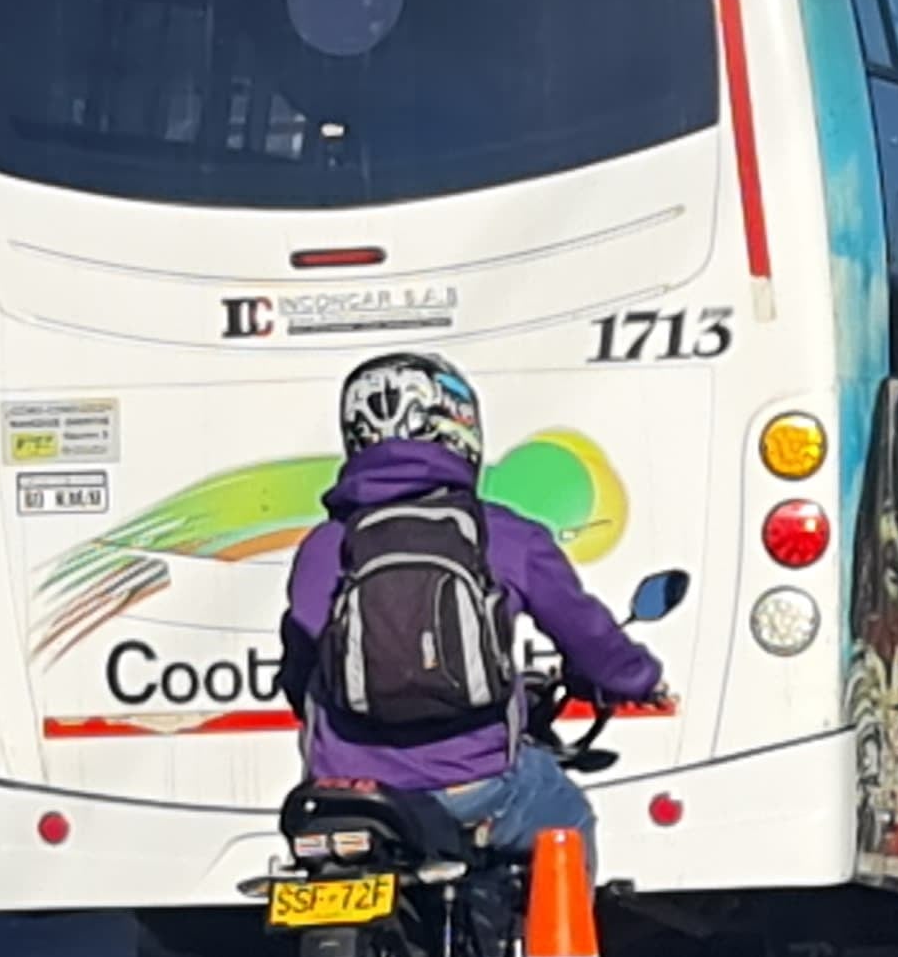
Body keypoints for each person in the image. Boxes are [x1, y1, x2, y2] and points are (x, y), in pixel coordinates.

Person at [276, 353, 663, 860]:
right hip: (474, 785)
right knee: (568, 816)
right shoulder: (505, 536)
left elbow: (299, 675)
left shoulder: (324, 546)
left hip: (346, 790)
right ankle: (556, 944)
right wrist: (637, 679)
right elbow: (587, 635)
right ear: (457, 427)